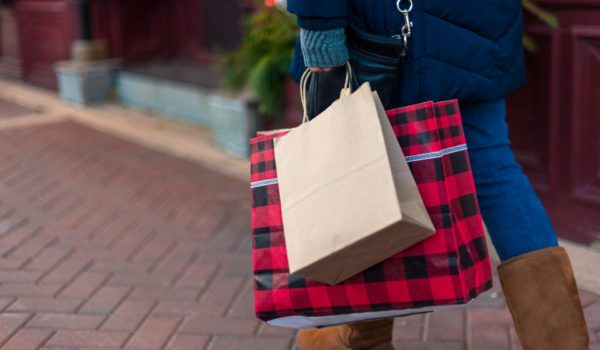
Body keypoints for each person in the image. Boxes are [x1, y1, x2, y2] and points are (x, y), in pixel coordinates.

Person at [285, 0, 589, 349]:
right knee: (494, 169)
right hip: (478, 28)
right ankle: (561, 344)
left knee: (359, 172)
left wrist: (320, 27)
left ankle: (360, 340)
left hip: (383, 26)